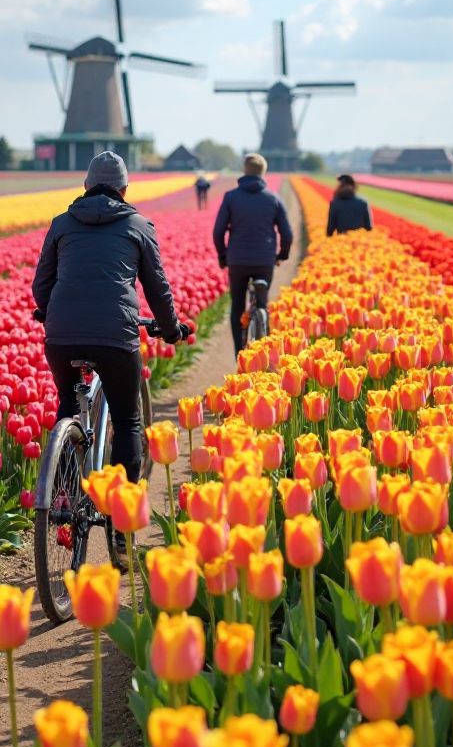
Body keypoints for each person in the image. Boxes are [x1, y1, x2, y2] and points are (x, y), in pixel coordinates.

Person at [32, 151, 190, 511]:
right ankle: (122, 522)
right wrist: (170, 329)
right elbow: (157, 288)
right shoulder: (138, 226)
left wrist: (47, 311)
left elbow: (42, 284)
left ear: (85, 186)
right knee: (127, 419)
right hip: (116, 335)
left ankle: (64, 494)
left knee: (68, 403)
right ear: (124, 188)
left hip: (62, 333)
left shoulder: (61, 223)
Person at [213, 153, 293, 355]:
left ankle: (239, 353)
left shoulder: (231, 197)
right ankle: (263, 349)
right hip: (264, 260)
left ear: (244, 171)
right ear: (263, 173)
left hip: (237, 260)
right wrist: (281, 255)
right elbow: (287, 233)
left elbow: (218, 231)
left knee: (238, 305)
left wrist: (223, 255)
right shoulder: (273, 198)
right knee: (262, 301)